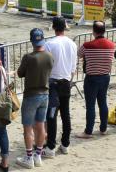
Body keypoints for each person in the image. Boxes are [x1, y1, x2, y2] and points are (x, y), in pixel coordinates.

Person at [15, 28, 53, 169]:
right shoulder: (49, 56)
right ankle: (38, 155)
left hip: (31, 95)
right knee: (40, 125)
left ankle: (29, 157)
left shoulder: (28, 57)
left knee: (28, 127)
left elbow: (20, 73)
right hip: (45, 94)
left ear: (32, 41)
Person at [43, 17, 77, 157]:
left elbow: (45, 65)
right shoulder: (72, 44)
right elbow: (73, 68)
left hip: (53, 82)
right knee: (65, 114)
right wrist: (70, 81)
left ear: (54, 28)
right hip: (66, 81)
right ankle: (65, 143)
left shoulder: (49, 44)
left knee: (52, 115)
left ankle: (51, 146)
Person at [77, 21, 116, 139]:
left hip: (91, 78)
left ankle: (88, 131)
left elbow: (79, 54)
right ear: (104, 30)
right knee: (103, 102)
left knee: (90, 105)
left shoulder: (87, 45)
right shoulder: (112, 45)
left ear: (93, 31)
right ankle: (103, 129)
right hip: (105, 77)